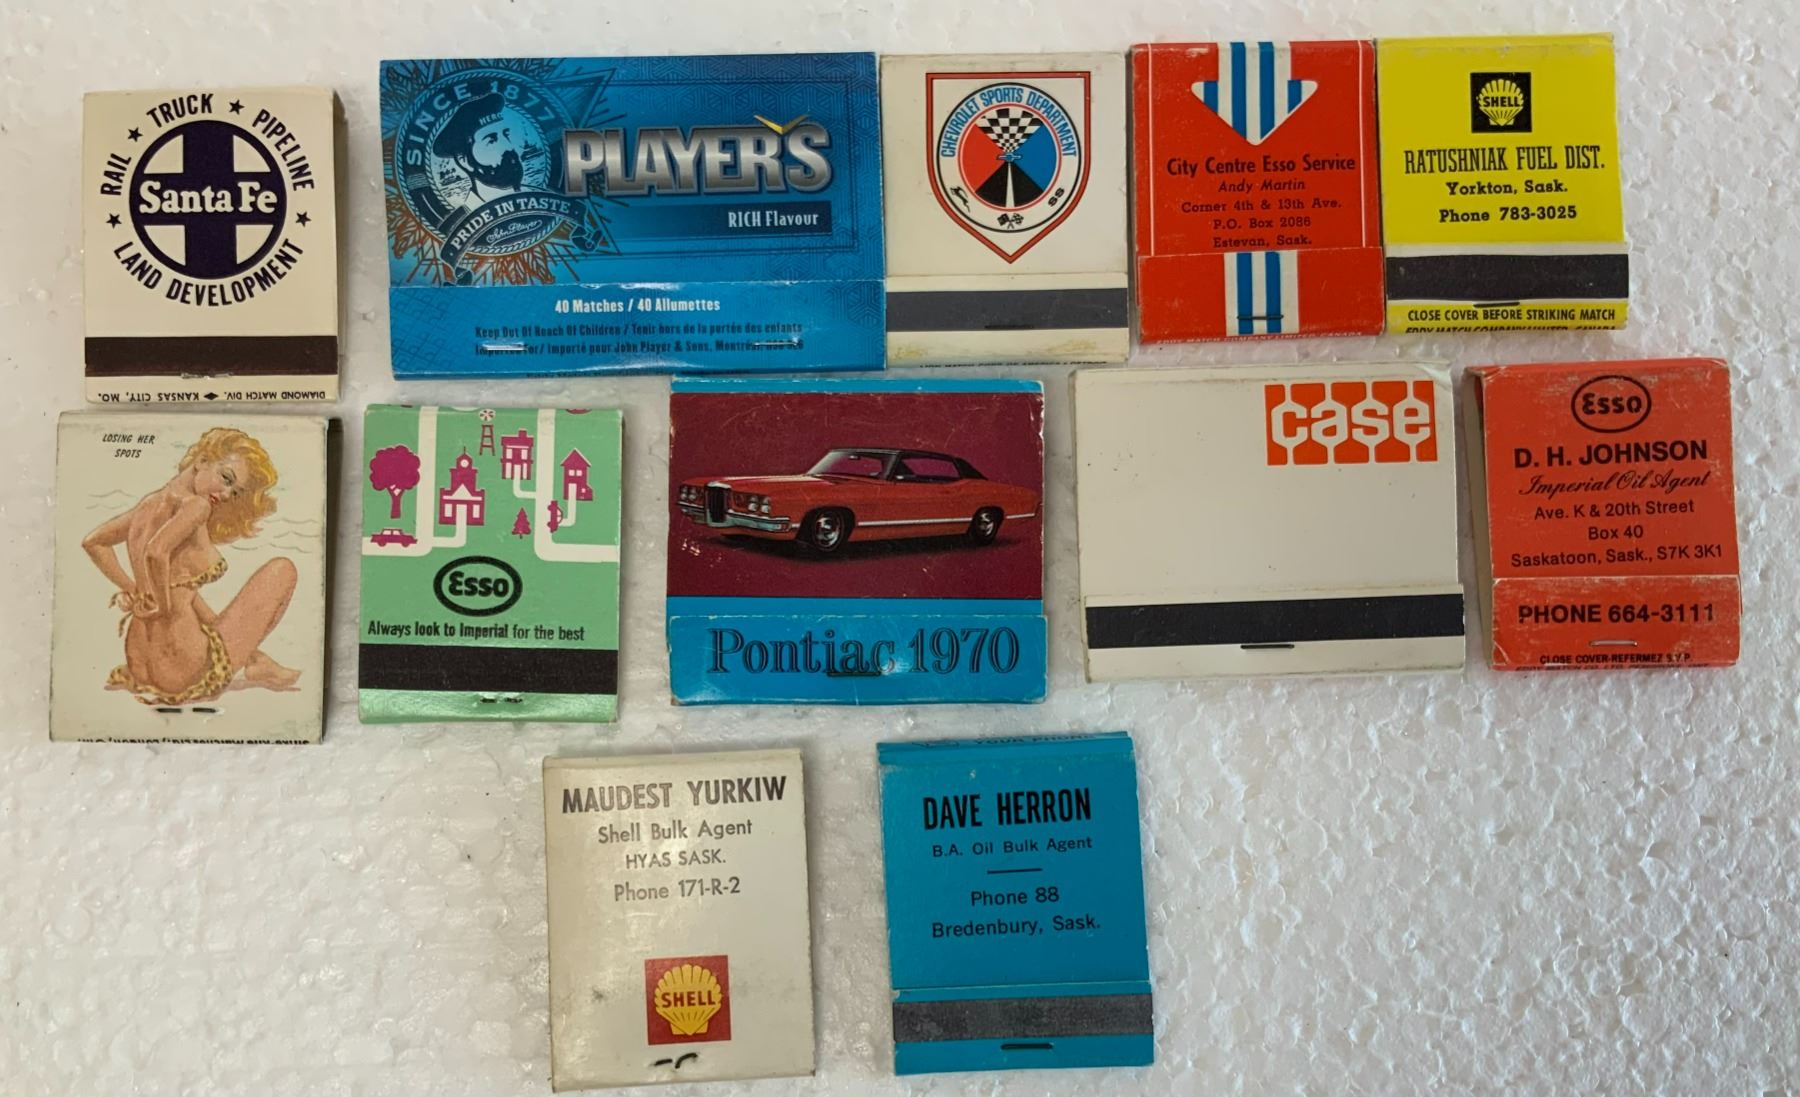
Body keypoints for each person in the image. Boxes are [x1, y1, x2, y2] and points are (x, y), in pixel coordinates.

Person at [83, 428, 301, 706]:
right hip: (184, 669)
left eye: (234, 492)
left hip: (140, 664)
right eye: (226, 478)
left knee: (189, 597)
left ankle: (255, 659)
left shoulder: (148, 505)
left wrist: (134, 588)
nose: (226, 494)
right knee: (282, 570)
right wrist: (162, 607)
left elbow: (94, 542)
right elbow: (156, 552)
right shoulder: (196, 506)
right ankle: (256, 660)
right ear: (202, 461)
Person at [432, 94, 530, 207]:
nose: (509, 147)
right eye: (491, 140)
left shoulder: (538, 195)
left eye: (506, 135)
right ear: (463, 160)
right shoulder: (465, 214)